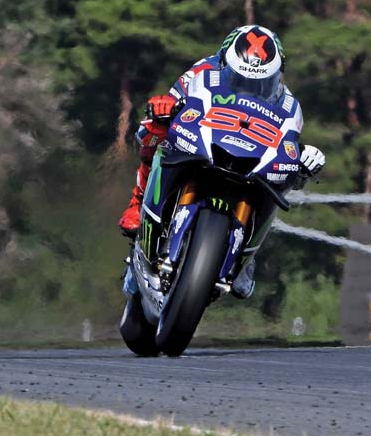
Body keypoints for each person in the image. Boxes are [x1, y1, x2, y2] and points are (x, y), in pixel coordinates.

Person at [118, 25, 325, 297]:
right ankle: (138, 201)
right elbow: (171, 102)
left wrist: (303, 159)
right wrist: (163, 107)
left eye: (261, 83)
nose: (251, 87)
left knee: (275, 185)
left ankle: (246, 258)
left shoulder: (290, 105)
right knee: (153, 130)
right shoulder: (202, 71)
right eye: (241, 79)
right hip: (203, 142)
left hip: (250, 158)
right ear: (226, 61)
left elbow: (289, 143)